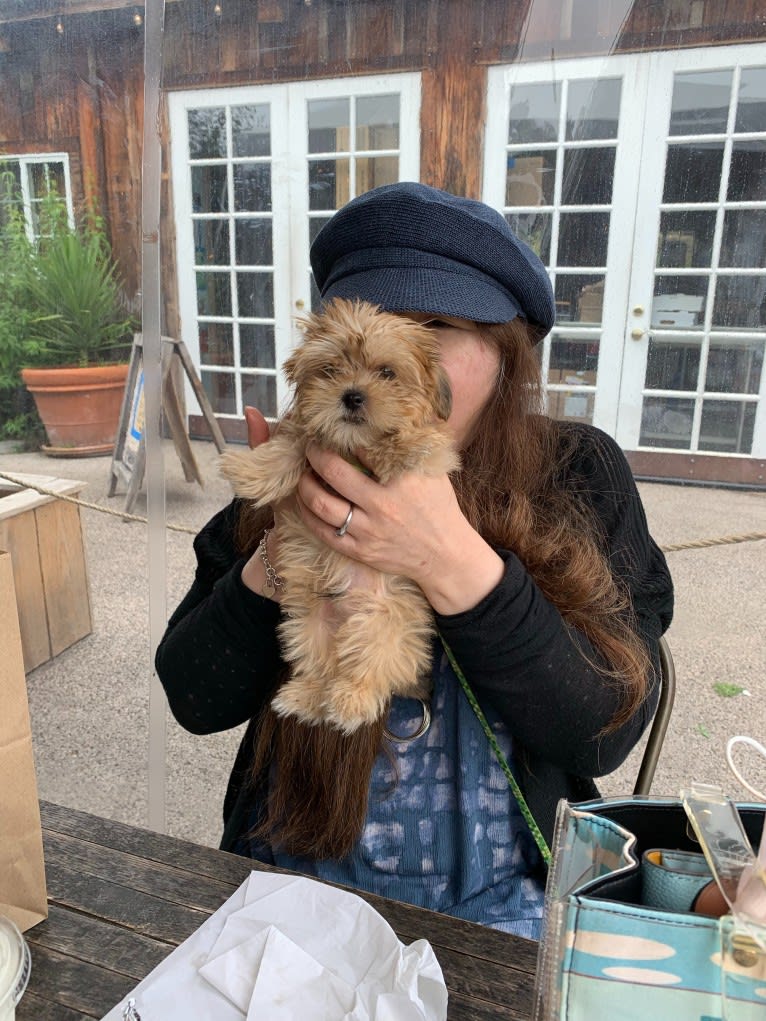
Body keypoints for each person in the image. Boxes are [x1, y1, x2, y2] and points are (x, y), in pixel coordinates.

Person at [156, 182, 673, 938]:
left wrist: (447, 557)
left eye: (436, 324)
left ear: (507, 351)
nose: (399, 364)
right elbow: (193, 698)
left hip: (508, 896)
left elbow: (604, 730)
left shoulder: (577, 472)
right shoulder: (296, 468)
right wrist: (281, 544)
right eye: (368, 334)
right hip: (295, 876)